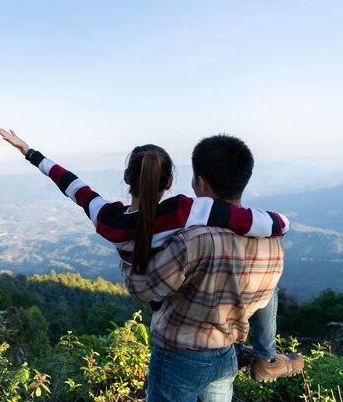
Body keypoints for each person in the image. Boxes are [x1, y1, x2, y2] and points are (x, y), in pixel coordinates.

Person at [0, 128, 303, 386]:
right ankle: (261, 354)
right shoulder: (185, 210)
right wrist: (280, 222)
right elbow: (271, 223)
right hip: (179, 297)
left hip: (154, 292)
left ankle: (243, 352)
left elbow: (73, 186)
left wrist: (30, 153)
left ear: (127, 179)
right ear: (168, 182)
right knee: (257, 279)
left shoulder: (107, 218)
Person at [121, 134, 304, 402]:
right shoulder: (272, 240)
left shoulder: (193, 240)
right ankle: (267, 357)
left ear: (200, 182)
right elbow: (264, 297)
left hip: (178, 358)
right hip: (225, 353)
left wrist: (126, 248)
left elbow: (142, 289)